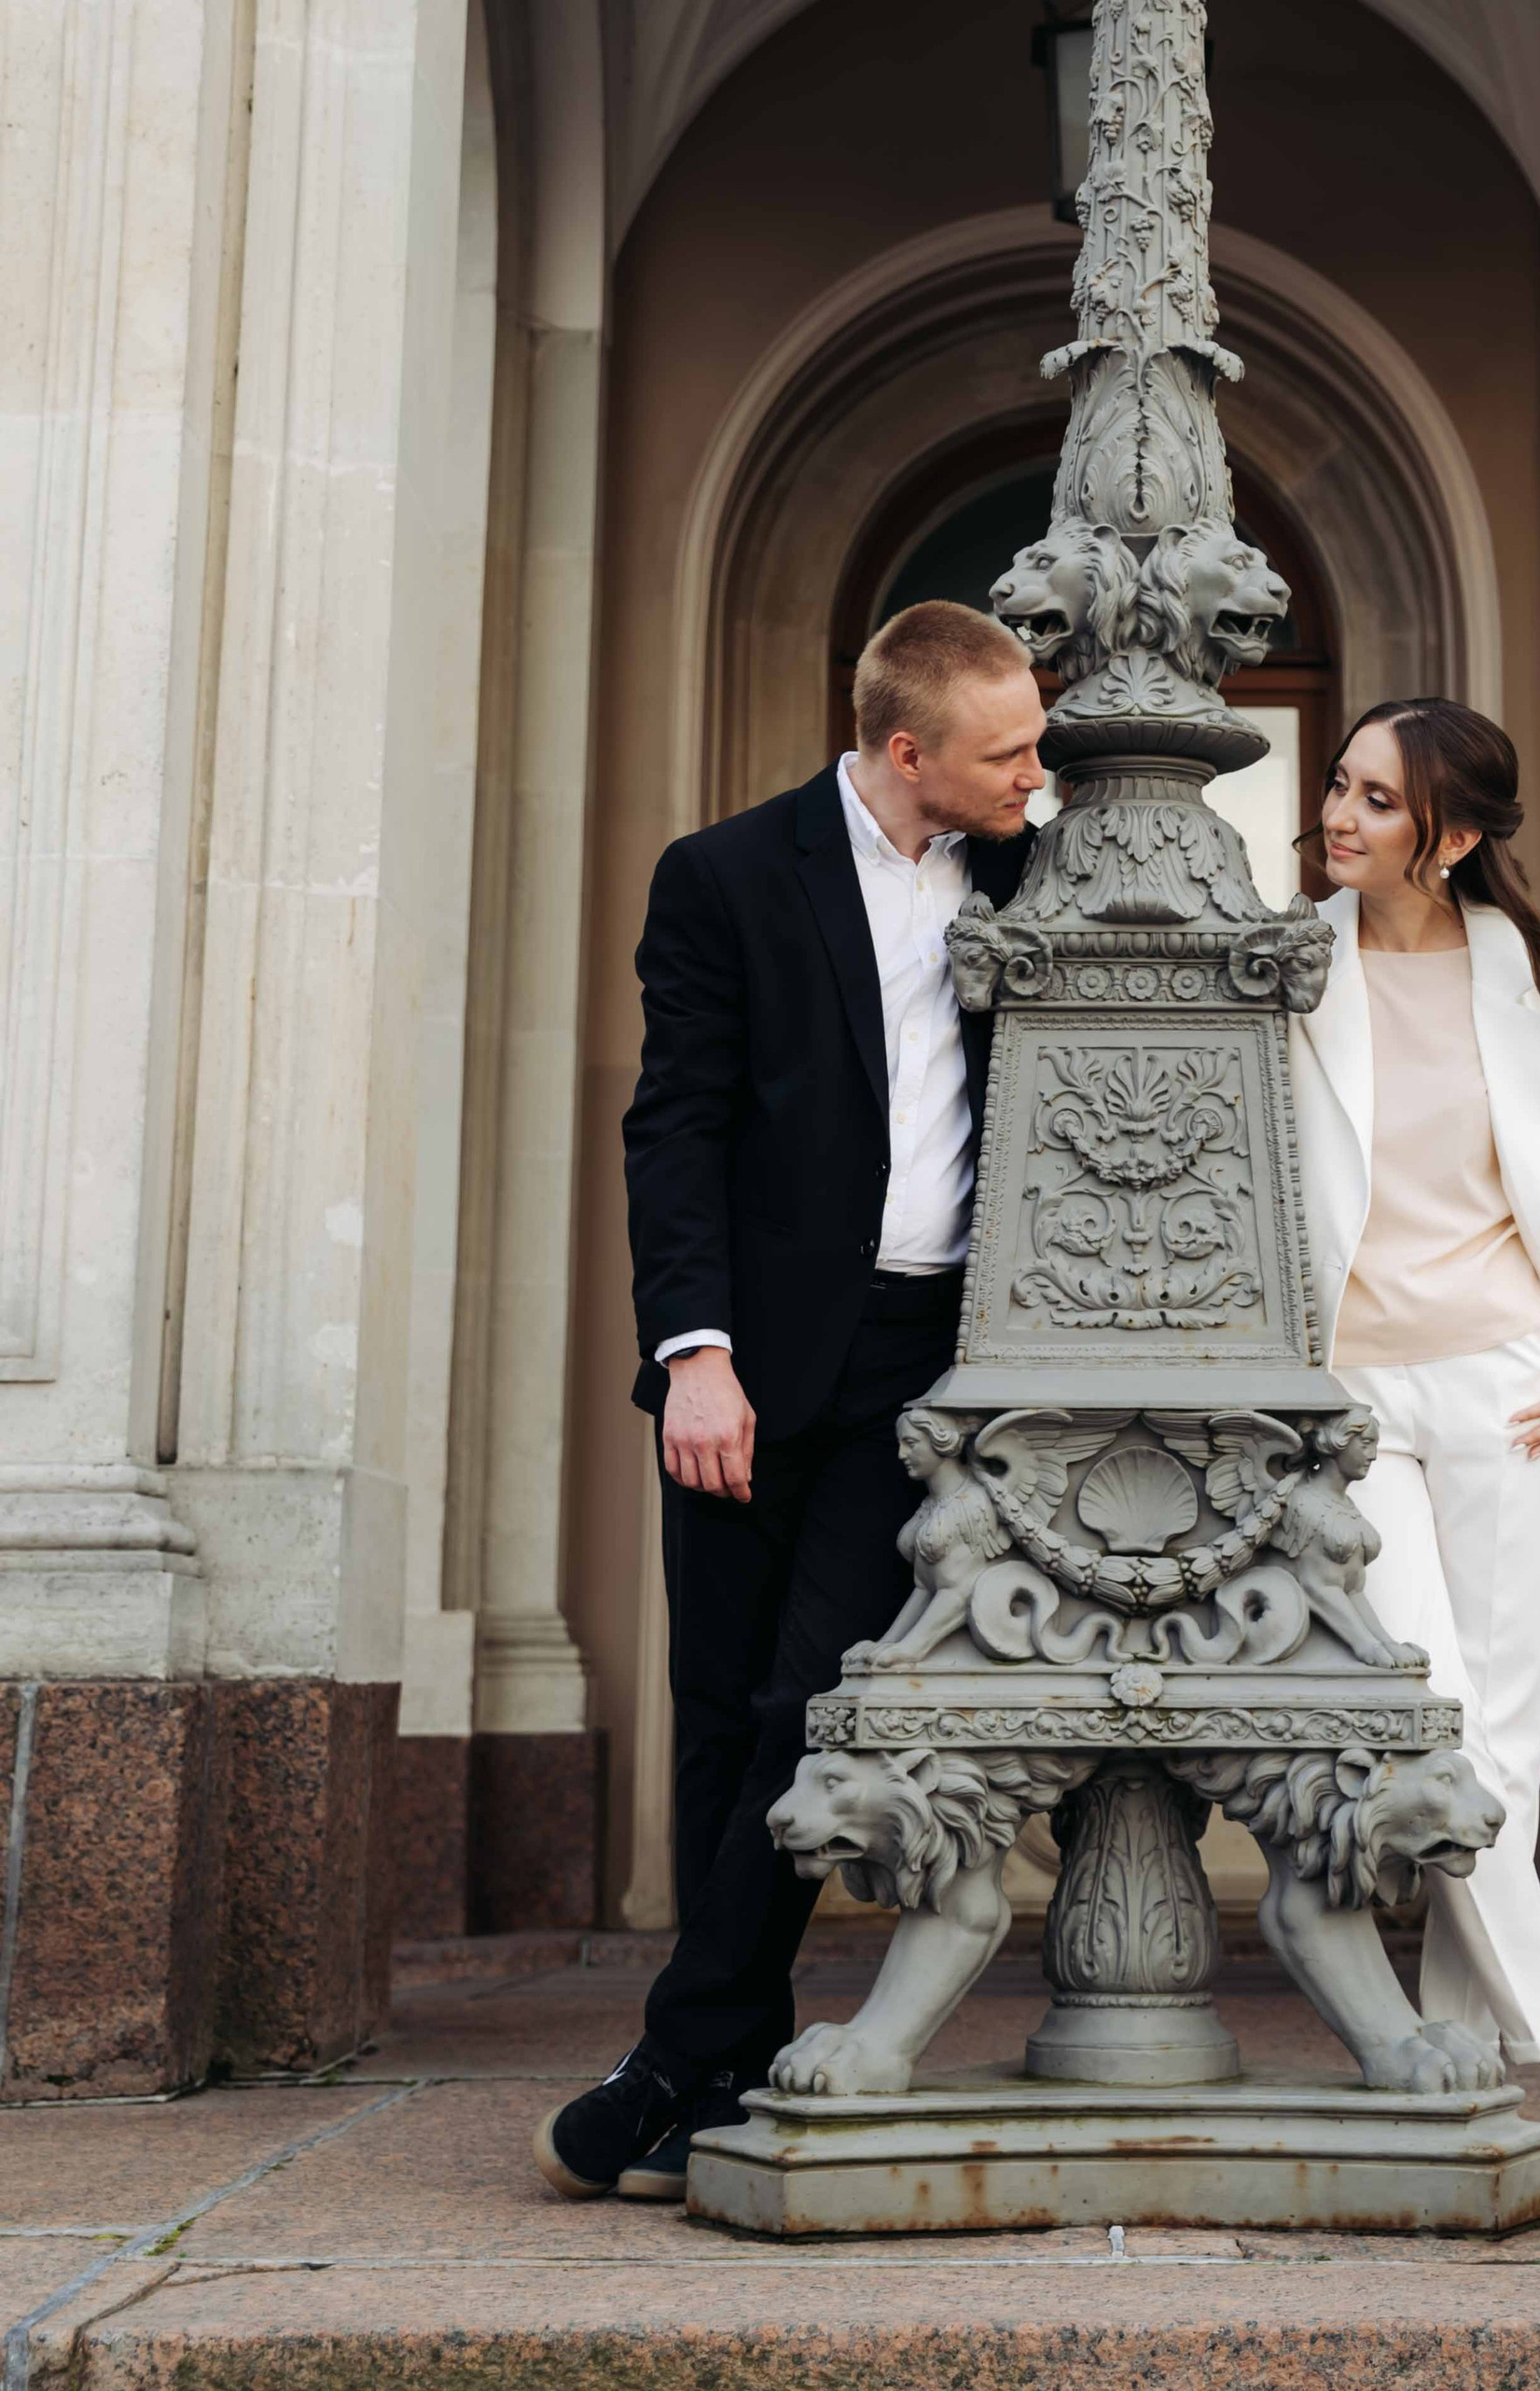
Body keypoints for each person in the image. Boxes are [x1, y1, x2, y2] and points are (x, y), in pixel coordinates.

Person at [533, 602, 1045, 2202]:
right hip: (746, 1362)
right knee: (718, 1709)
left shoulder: (1026, 863)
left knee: (804, 1701)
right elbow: (671, 1127)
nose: (1038, 773)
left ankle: (678, 2049)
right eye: (1008, 751)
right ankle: (724, 2062)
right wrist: (696, 1351)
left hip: (922, 1364)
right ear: (909, 754)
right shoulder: (727, 878)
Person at [1289, 696, 1540, 2206]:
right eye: (1338, 784)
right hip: (1358, 1403)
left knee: (1494, 1753)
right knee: (1434, 1733)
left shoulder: (1539, 965)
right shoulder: (1292, 962)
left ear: (1446, 836)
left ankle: (1449, 2072)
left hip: (1521, 1389)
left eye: (1375, 801)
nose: (1338, 815)